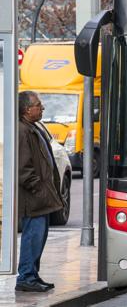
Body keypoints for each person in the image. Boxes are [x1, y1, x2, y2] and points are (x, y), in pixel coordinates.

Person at [16, 91, 64, 292]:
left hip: (40, 196)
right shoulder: (22, 131)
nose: (42, 107)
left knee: (39, 237)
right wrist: (38, 188)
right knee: (33, 236)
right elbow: (23, 169)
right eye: (38, 104)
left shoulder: (32, 128)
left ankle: (32, 274)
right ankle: (26, 277)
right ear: (27, 109)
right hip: (33, 198)